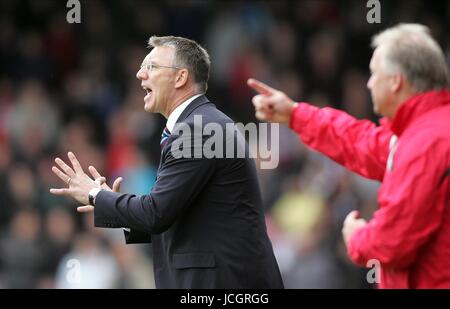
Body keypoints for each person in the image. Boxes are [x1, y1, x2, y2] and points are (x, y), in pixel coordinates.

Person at [50, 36, 284, 289]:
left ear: (180, 77)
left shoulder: (199, 128)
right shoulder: (198, 125)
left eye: (151, 67)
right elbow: (173, 217)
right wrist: (111, 204)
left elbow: (156, 214)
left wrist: (95, 194)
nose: (140, 74)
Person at [247, 23, 450, 288]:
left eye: (374, 73)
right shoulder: (425, 132)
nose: (368, 83)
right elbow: (362, 143)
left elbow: (392, 242)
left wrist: (357, 237)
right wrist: (295, 114)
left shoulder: (425, 144)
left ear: (395, 81)